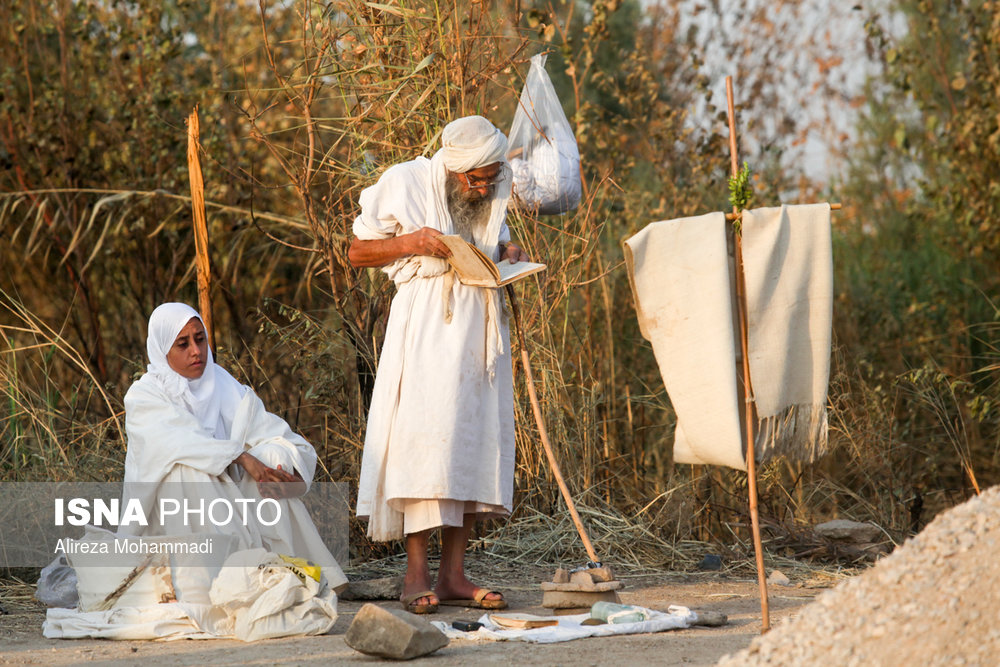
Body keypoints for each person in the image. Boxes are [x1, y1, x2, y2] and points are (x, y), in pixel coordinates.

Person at [349, 115, 530, 614]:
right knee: (423, 445)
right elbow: (357, 251)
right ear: (454, 170)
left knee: (466, 447)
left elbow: (494, 243)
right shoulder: (404, 182)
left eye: (492, 180)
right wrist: (412, 243)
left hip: (478, 333)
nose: (485, 188)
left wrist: (507, 251)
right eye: (477, 180)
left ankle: (453, 575)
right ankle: (415, 575)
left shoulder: (490, 188)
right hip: (426, 330)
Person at [121, 302, 347, 592]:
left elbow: (276, 434)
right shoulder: (143, 395)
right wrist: (239, 456)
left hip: (230, 509)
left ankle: (279, 575)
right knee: (188, 467)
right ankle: (211, 582)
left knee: (270, 457)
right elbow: (179, 442)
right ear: (162, 350)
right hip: (169, 517)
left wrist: (281, 472)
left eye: (200, 339)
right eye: (183, 343)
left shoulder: (222, 384)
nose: (196, 351)